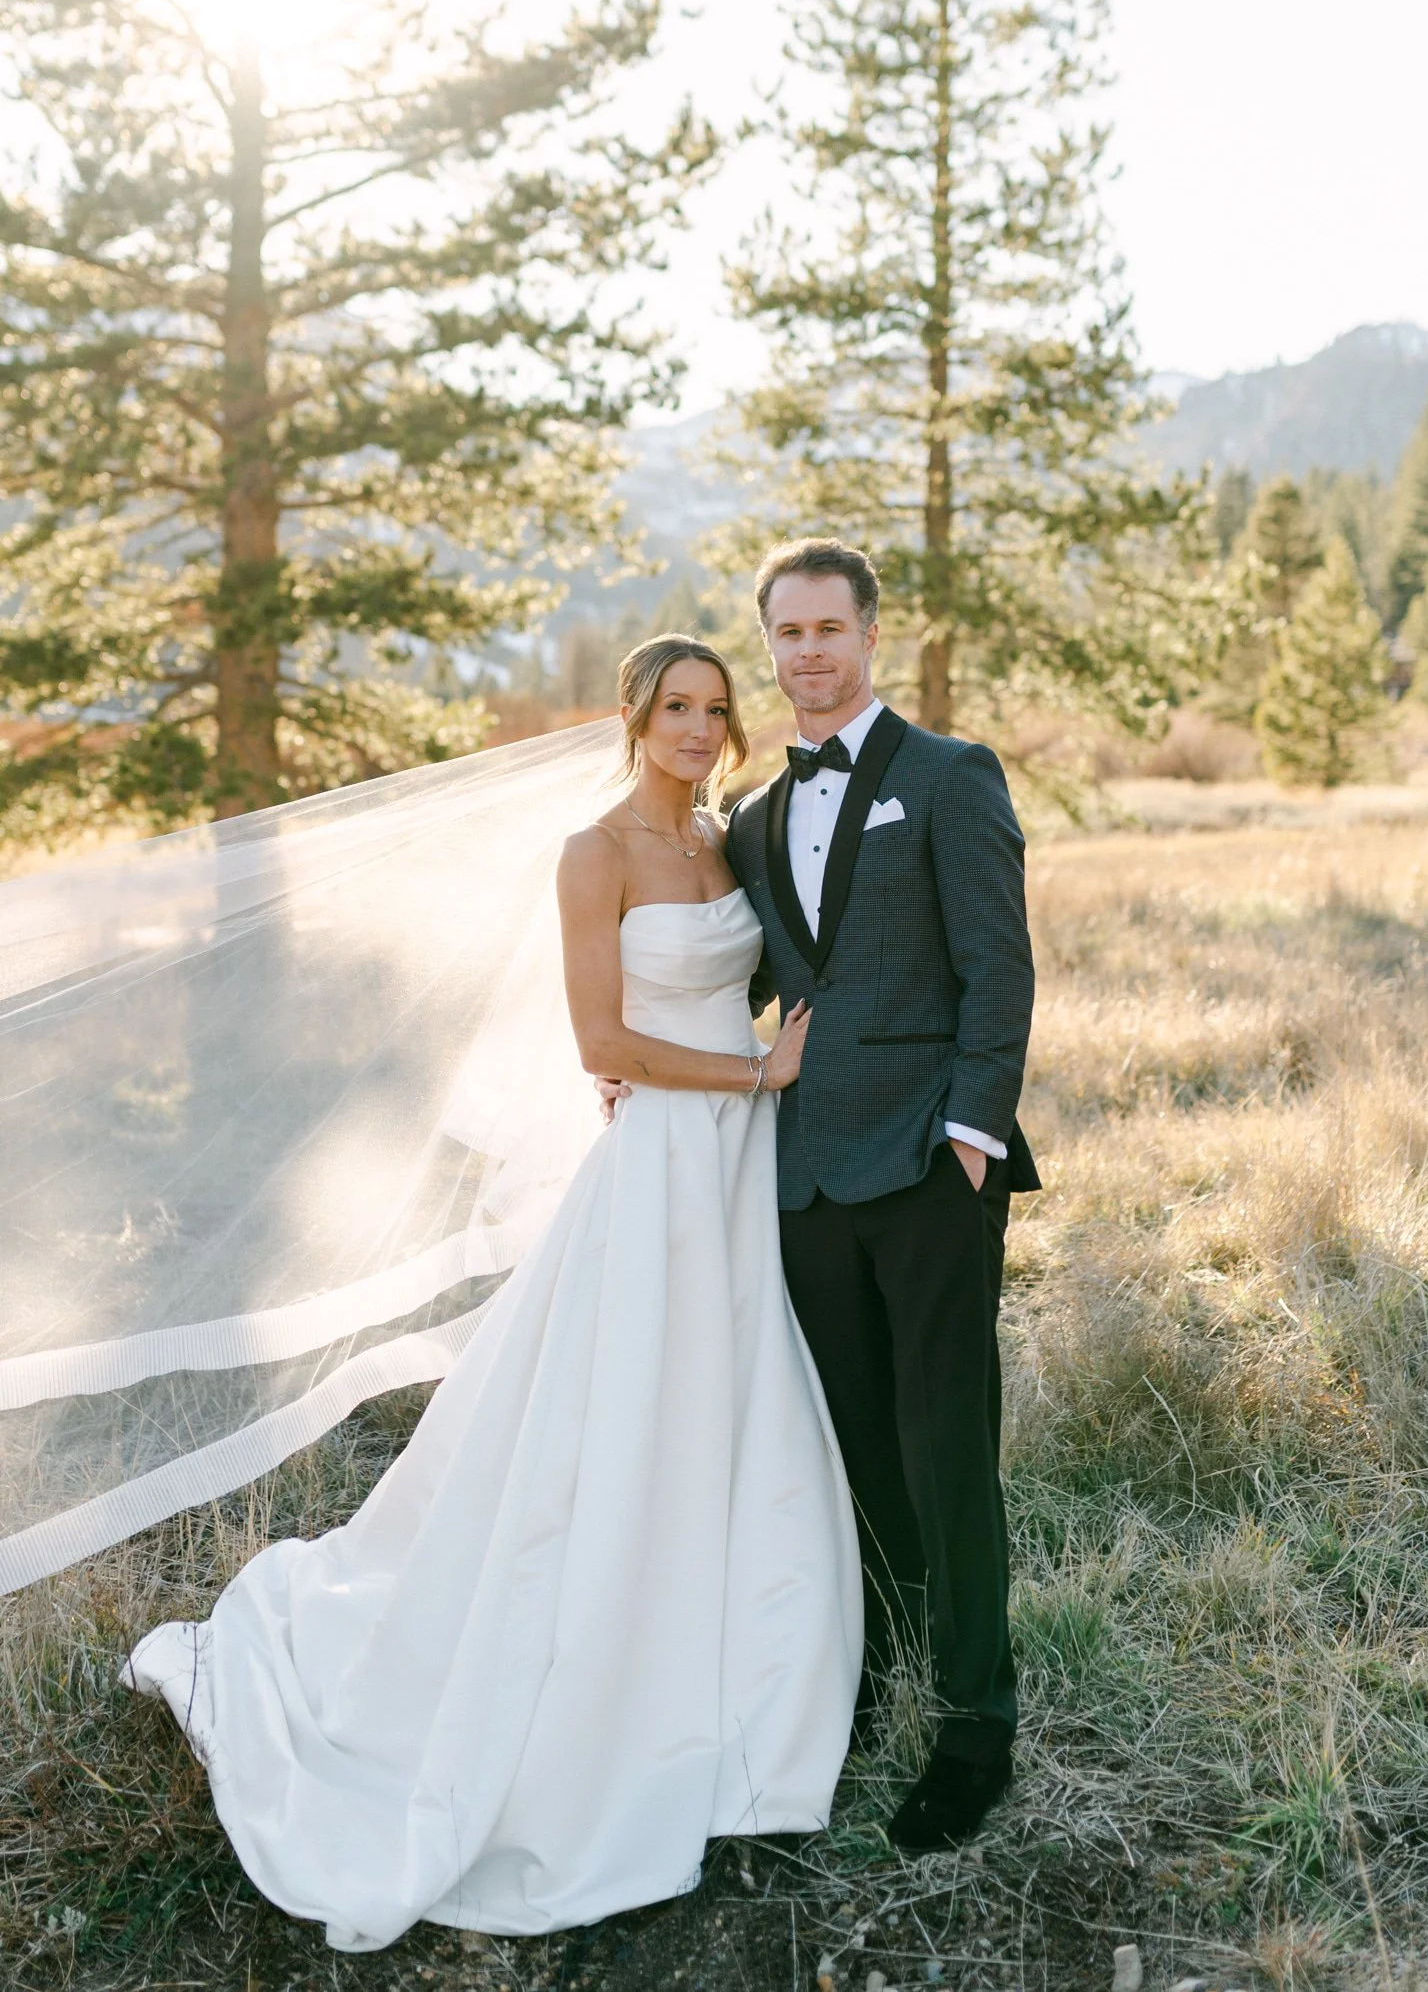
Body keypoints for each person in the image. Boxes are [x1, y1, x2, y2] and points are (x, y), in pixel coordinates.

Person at [123, 635, 861, 1953]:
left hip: (735, 1170)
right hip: (660, 1167)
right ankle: (594, 1683)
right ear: (632, 718)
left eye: (715, 709)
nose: (698, 727)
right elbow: (602, 1042)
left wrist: (766, 1067)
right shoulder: (596, 852)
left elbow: (754, 962)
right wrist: (756, 1074)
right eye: (675, 708)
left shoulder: (720, 840)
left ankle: (751, 1693)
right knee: (625, 1417)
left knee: (739, 1402)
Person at [727, 538, 1039, 1852]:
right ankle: (887, 1666)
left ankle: (976, 1724)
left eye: (829, 629)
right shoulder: (747, 820)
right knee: (851, 1451)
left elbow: (1001, 970)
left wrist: (967, 1141)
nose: (808, 651)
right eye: (787, 632)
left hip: (924, 1165)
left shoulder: (949, 776)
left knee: (947, 1447)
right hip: (800, 1180)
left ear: (870, 635)